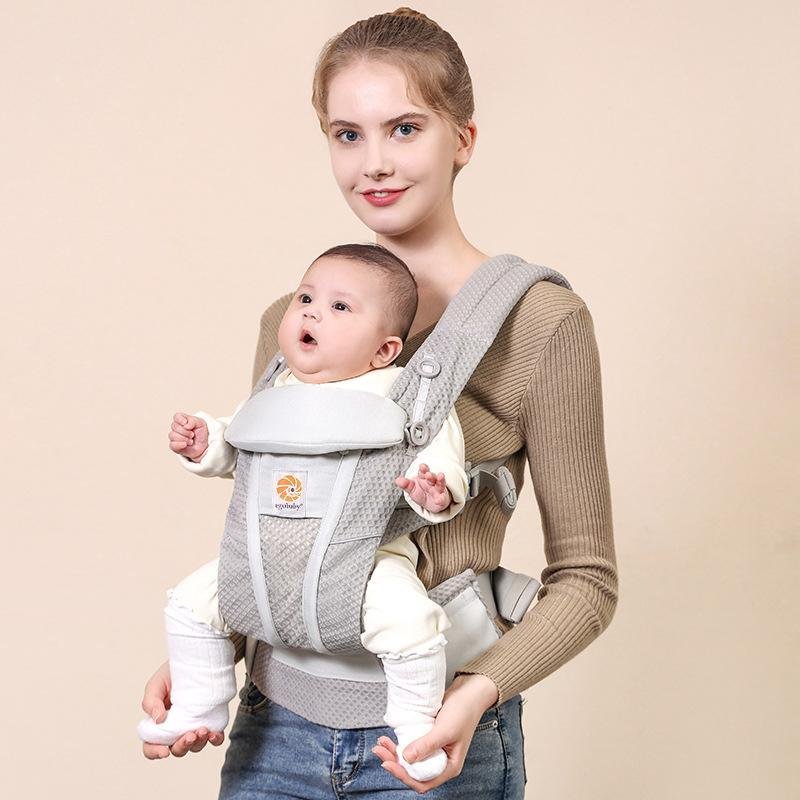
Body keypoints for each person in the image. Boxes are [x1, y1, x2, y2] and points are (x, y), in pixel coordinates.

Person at [141, 7, 618, 798]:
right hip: (273, 728)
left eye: (404, 128)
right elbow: (281, 531)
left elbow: (588, 580)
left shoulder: (541, 324)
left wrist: (474, 696)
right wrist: (207, 655)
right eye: (347, 134)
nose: (375, 164)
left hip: (432, 729)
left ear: (462, 139)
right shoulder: (291, 322)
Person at [137, 243, 471, 781]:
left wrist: (436, 490)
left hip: (362, 559)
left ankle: (416, 726)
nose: (312, 313)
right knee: (190, 605)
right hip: (264, 560)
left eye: (339, 307)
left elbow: (441, 461)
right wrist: (206, 443)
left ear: (384, 350)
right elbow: (239, 446)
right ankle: (198, 704)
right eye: (306, 298)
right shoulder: (275, 390)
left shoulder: (405, 394)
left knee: (410, 622)